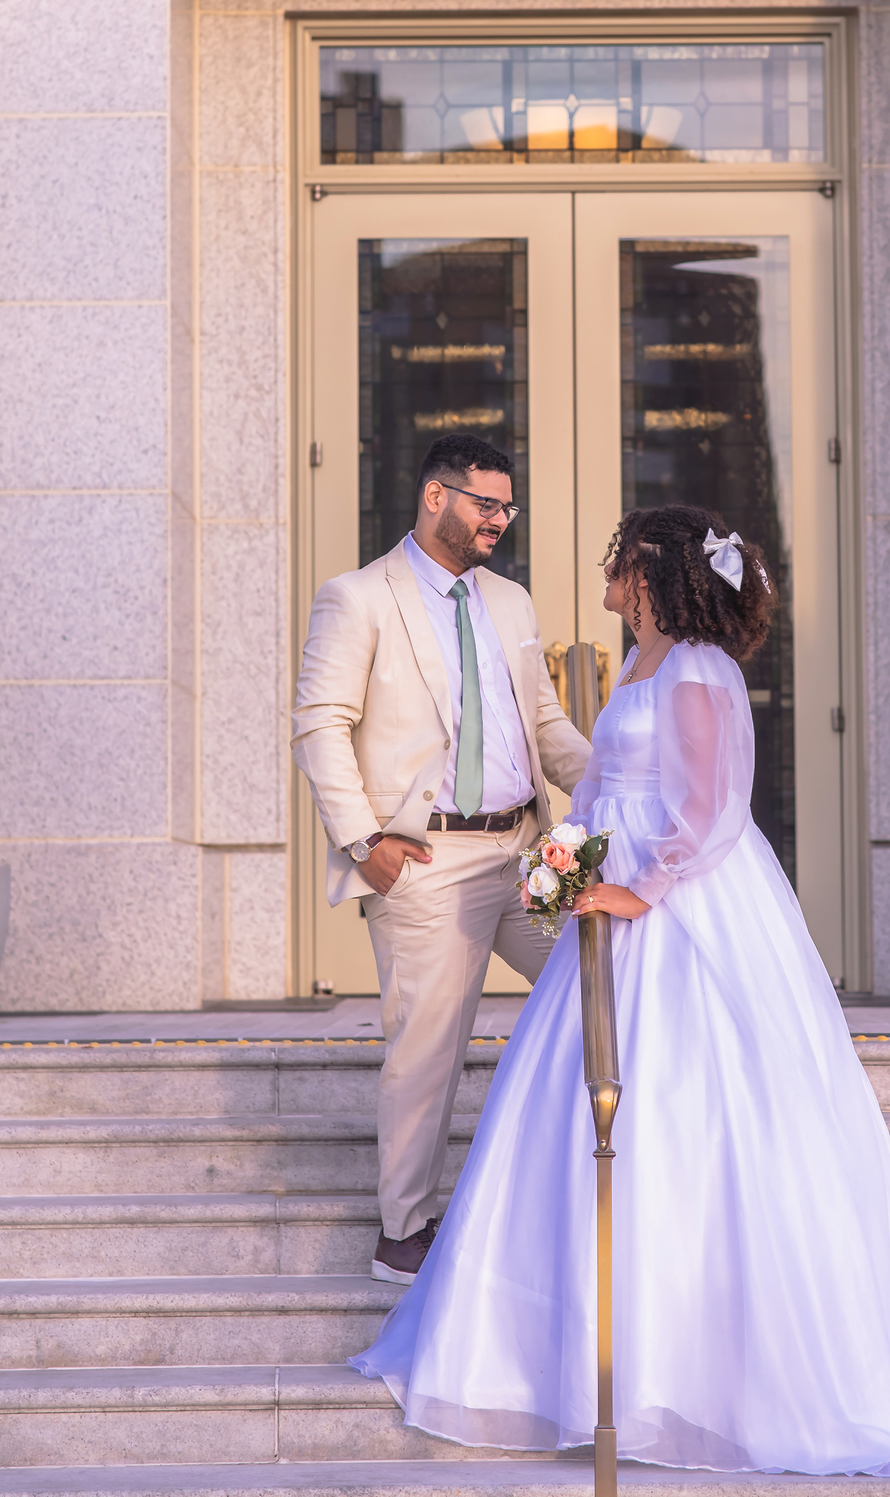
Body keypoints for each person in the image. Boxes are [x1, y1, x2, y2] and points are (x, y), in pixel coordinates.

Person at [350, 503, 890, 1474]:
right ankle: (568, 1352)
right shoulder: (644, 665)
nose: (608, 581)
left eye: (620, 567)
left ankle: (688, 1365)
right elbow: (620, 786)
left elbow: (710, 808)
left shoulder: (700, 670)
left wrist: (634, 888)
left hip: (679, 910)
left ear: (655, 576)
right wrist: (574, 860)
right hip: (618, 904)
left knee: (684, 1107)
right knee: (579, 1112)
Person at [291, 433, 592, 1284]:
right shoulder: (358, 597)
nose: (500, 518)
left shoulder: (512, 602)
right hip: (426, 858)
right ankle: (405, 1233)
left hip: (527, 851)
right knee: (428, 1048)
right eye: (485, 503)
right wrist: (365, 842)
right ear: (436, 497)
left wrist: (620, 774)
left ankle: (574, 1187)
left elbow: (545, 725)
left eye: (507, 505)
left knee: (607, 987)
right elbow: (320, 724)